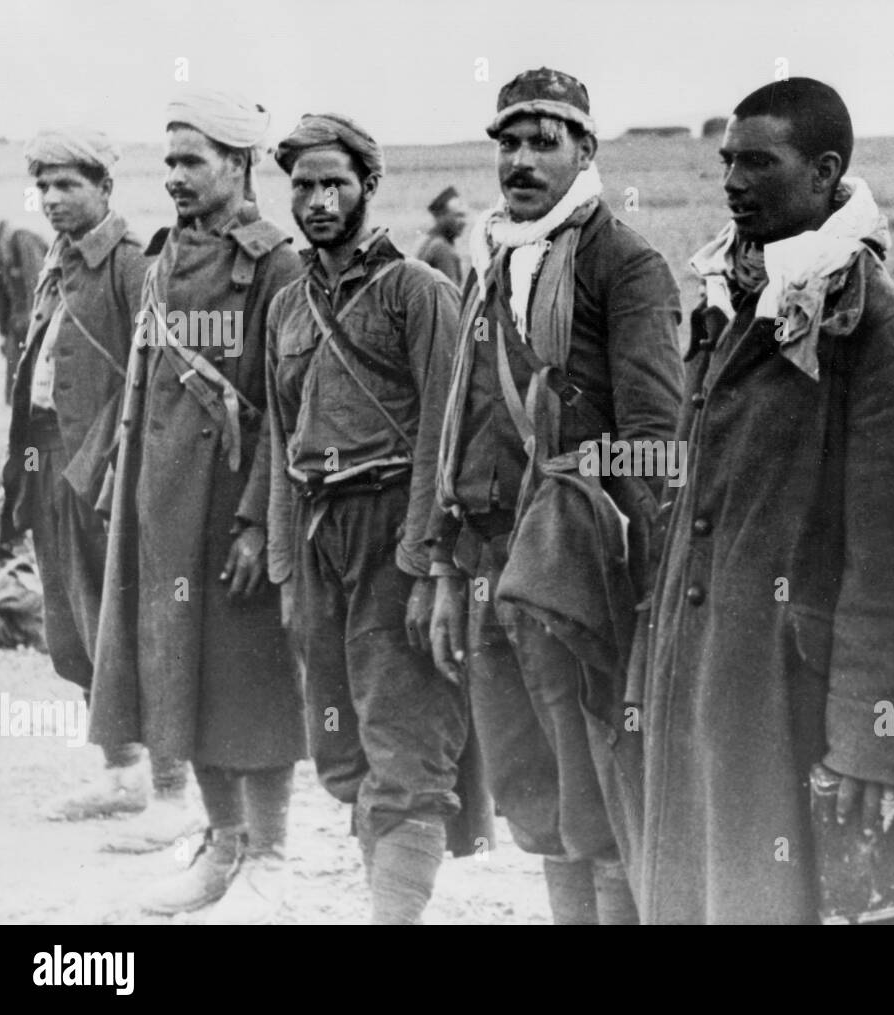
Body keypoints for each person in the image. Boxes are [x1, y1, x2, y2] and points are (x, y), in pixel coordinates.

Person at [638, 78, 894, 924]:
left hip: (808, 707)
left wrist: (873, 743)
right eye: (727, 162)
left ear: (824, 173)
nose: (735, 182)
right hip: (720, 686)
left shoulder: (885, 335)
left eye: (760, 163)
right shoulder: (732, 302)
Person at [420, 67, 683, 924]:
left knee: (599, 789)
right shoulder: (493, 260)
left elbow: (655, 438)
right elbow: (459, 422)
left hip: (577, 566)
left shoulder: (623, 262)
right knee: (532, 782)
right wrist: (447, 566)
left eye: (544, 141)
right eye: (509, 143)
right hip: (494, 559)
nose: (522, 160)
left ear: (586, 149)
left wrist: (620, 572)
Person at [90, 88, 306, 923]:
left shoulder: (275, 265)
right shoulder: (160, 257)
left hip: (231, 506)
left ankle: (273, 854)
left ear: (239, 165)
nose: (174, 176)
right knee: (179, 675)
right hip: (161, 504)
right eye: (169, 159)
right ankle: (220, 846)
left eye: (193, 161)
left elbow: (284, 405)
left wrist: (259, 518)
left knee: (249, 679)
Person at [266, 113, 488, 923]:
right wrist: (288, 566)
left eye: (336, 183)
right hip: (322, 535)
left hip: (396, 520)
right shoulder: (288, 307)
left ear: (368, 187)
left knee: (406, 743)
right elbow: (278, 438)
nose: (319, 200)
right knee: (342, 747)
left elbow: (446, 430)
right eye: (304, 186)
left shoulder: (416, 290)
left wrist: (431, 561)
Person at [0, 129, 195, 829]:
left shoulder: (133, 264)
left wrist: (117, 465)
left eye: (68, 185)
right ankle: (121, 774)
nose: (51, 199)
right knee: (74, 627)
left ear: (104, 188)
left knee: (131, 626)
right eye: (43, 186)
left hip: (106, 470)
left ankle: (170, 791)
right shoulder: (57, 262)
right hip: (46, 462)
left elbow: (164, 375)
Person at [0, 189, 47, 405]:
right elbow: (0, 291)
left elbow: (39, 288)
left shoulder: (20, 238)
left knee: (38, 400)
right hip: (17, 330)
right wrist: (4, 332)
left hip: (37, 330)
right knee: (17, 401)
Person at [415, 186, 467, 286]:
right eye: (457, 216)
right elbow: (451, 295)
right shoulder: (442, 249)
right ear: (442, 216)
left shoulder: (427, 241)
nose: (463, 222)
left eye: (464, 216)